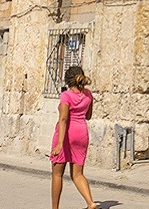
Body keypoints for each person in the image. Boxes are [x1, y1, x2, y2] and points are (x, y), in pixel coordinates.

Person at [50, 66, 97, 209]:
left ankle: (55, 208)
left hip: (66, 135)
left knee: (57, 174)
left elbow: (63, 119)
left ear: (68, 80)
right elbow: (88, 116)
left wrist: (59, 144)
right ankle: (91, 203)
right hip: (82, 133)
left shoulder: (66, 95)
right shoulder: (88, 94)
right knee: (77, 174)